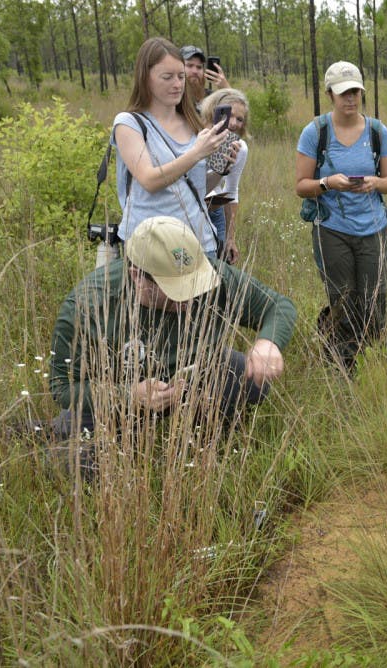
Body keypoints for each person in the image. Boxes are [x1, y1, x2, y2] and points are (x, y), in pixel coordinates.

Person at [46, 216, 296, 477]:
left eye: (195, 285)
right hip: (122, 398)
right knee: (79, 464)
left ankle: (204, 436)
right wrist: (128, 395)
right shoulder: (89, 305)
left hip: (190, 378)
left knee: (249, 380)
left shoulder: (204, 271)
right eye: (177, 291)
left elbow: (277, 306)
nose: (192, 298)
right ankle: (51, 429)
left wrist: (268, 342)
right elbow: (63, 387)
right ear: (138, 278)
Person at [295, 61, 387, 373]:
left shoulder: (378, 131)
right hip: (332, 229)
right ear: (330, 95)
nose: (351, 99)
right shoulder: (316, 132)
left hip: (374, 227)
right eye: (343, 93)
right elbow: (301, 186)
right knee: (343, 297)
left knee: (374, 297)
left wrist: (375, 183)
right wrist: (328, 183)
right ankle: (342, 362)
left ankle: (374, 353)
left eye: (355, 92)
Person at [112, 37, 235, 259]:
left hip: (200, 243)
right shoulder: (130, 124)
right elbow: (150, 180)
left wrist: (221, 169)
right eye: (167, 77)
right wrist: (197, 152)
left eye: (181, 76)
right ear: (145, 78)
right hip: (153, 249)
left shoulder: (192, 122)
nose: (177, 84)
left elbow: (195, 188)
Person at [200, 88, 251, 264]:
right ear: (215, 111)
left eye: (240, 119)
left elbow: (231, 190)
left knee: (216, 268)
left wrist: (230, 237)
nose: (234, 123)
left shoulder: (239, 148)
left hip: (214, 210)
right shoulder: (194, 136)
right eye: (229, 114)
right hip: (187, 211)